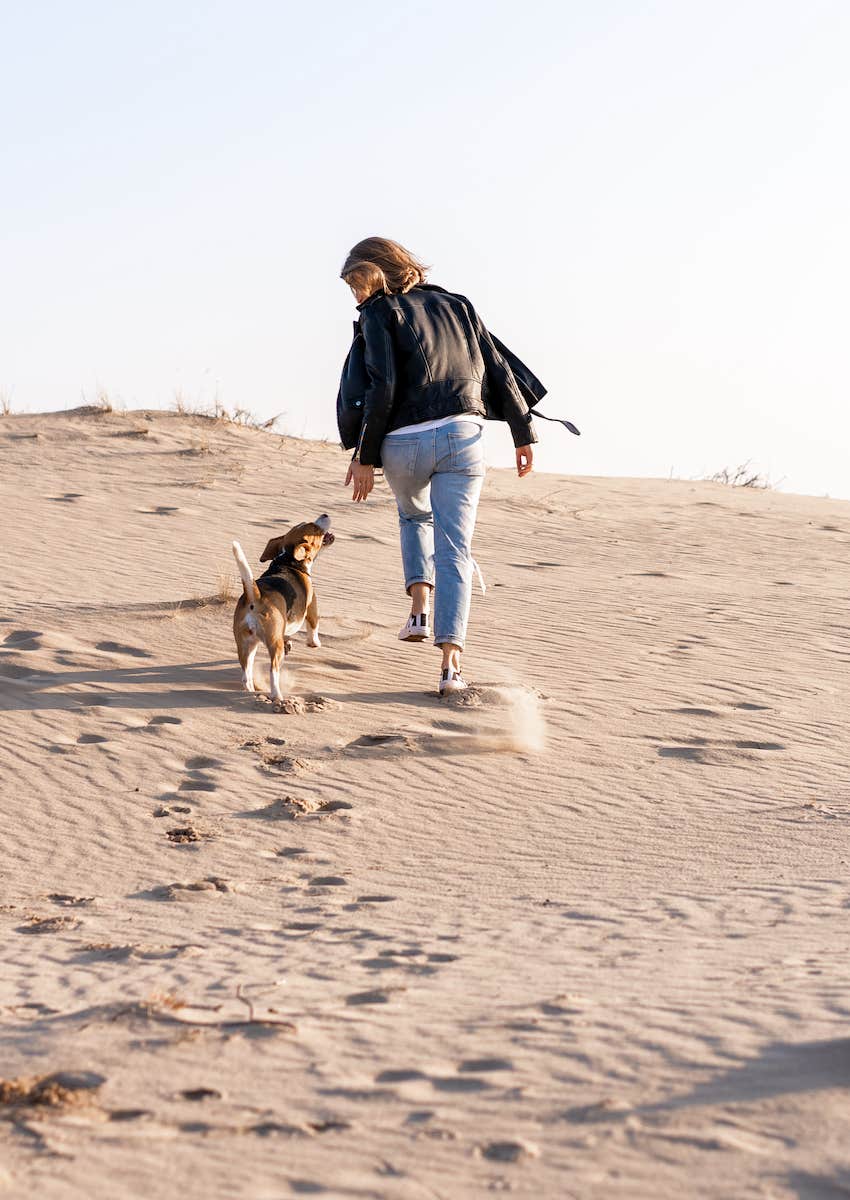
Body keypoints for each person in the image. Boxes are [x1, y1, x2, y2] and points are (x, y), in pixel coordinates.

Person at [337, 236, 538, 695]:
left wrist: (365, 456)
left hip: (402, 444)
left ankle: (419, 609)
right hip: (462, 439)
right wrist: (523, 432)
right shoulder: (458, 305)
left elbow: (381, 387)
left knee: (414, 515)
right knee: (455, 550)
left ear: (373, 275)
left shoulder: (378, 313)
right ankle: (451, 667)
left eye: (356, 286)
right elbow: (497, 366)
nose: (356, 296)